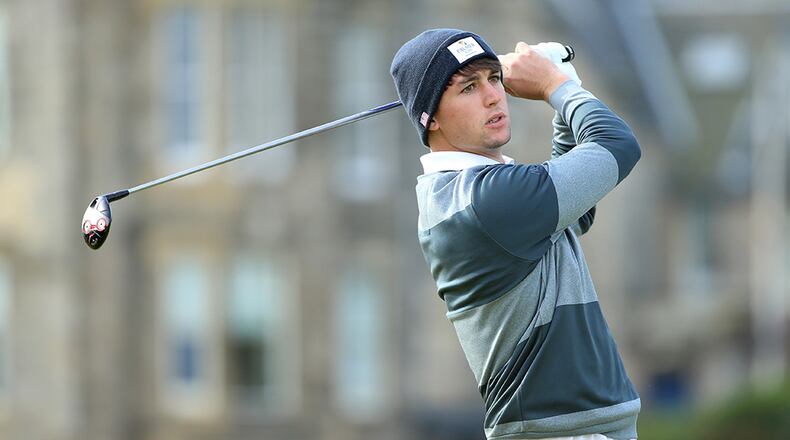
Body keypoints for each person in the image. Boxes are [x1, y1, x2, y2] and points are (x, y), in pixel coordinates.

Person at [390, 29, 642, 440]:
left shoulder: (475, 190)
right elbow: (617, 145)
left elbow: (575, 214)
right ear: (430, 117)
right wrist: (555, 86)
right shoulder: (485, 200)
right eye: (468, 87)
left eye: (494, 78)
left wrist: (563, 90)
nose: (493, 96)